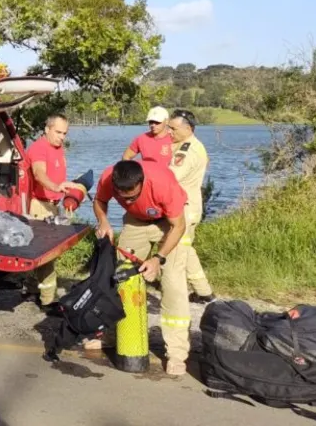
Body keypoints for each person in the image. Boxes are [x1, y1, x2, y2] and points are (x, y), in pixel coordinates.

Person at [92, 159, 192, 376]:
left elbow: (179, 225)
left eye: (133, 196)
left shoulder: (162, 183)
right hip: (136, 222)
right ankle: (111, 334)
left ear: (142, 182)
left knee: (173, 284)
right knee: (119, 277)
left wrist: (158, 258)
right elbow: (99, 200)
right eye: (123, 197)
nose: (128, 200)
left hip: (169, 223)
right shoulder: (109, 177)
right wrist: (104, 222)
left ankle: (176, 353)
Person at [23, 113, 81, 308]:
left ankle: (31, 287)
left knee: (39, 250)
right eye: (58, 132)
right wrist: (55, 187)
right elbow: (39, 174)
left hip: (54, 204)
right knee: (47, 253)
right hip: (40, 205)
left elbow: (57, 172)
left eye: (65, 133)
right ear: (47, 129)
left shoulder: (58, 147)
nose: (62, 137)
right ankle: (49, 300)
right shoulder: (39, 148)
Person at [166, 109, 216, 304]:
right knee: (186, 249)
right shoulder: (193, 146)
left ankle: (176, 300)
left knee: (178, 256)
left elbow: (171, 177)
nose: (169, 132)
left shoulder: (186, 151)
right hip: (190, 207)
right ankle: (204, 291)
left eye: (173, 128)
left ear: (188, 129)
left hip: (184, 209)